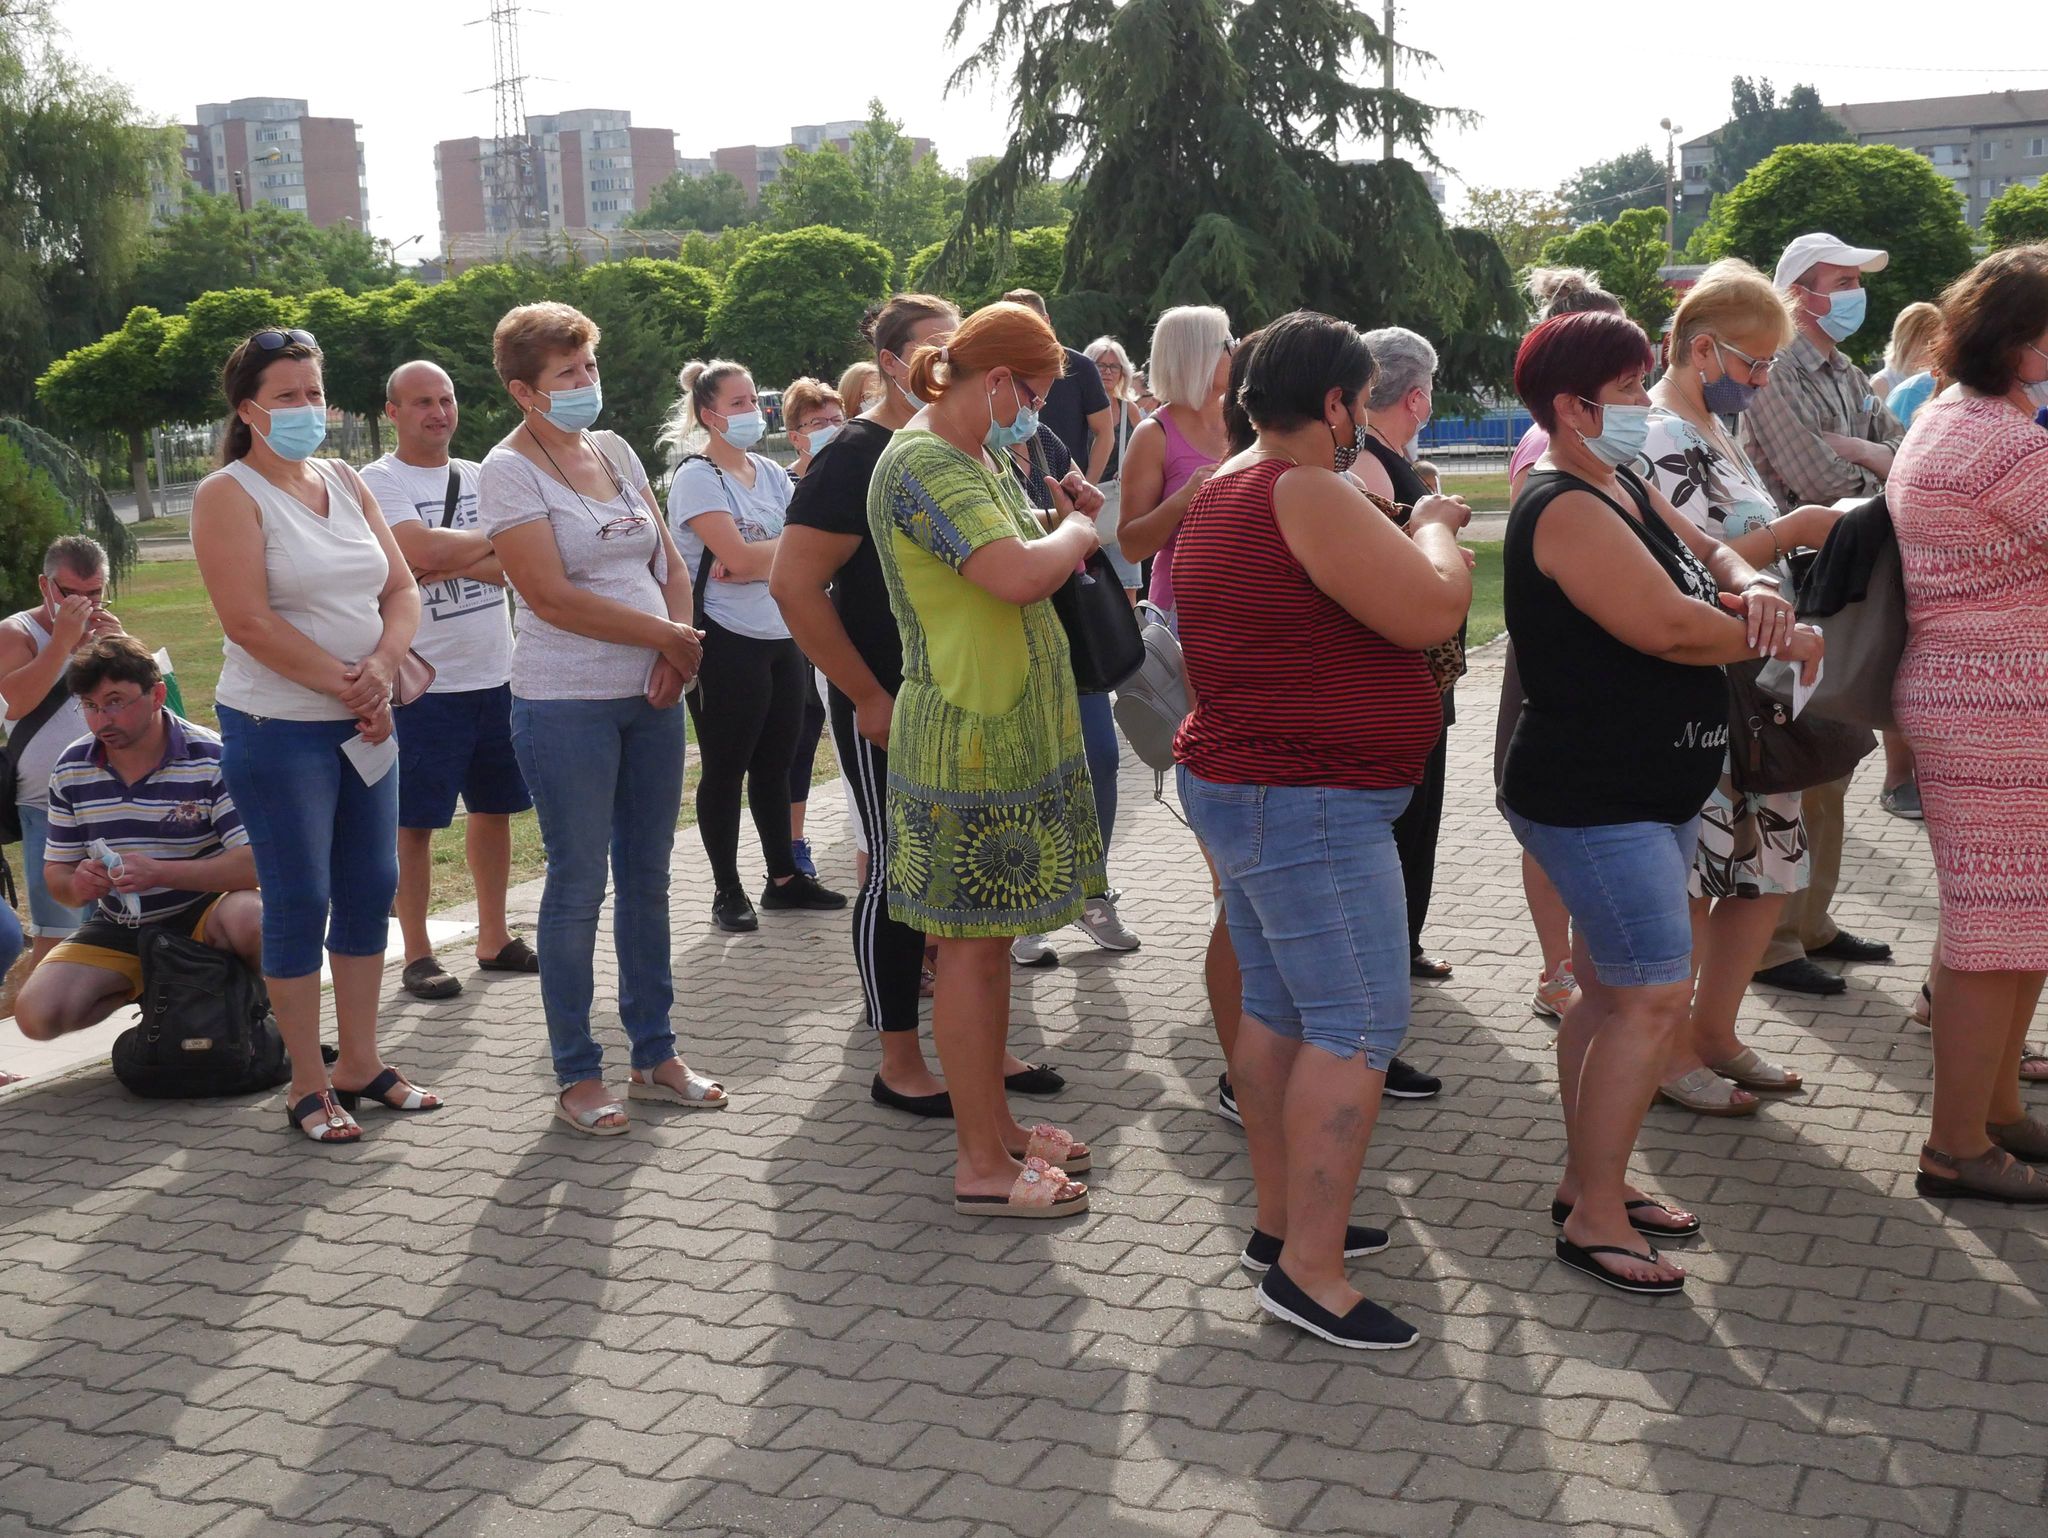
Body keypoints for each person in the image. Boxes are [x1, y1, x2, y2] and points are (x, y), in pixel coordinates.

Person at [1503, 309, 1818, 1294]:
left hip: (1643, 786)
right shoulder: (1560, 502)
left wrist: (1753, 583)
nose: (1645, 407)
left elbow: (1708, 554)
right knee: (1646, 996)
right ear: (1573, 405)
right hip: (1594, 797)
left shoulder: (1620, 477)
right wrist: (1772, 637)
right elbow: (1670, 629)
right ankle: (1594, 1215)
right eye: (1631, 390)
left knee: (1611, 993)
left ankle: (1586, 1183)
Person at [1174, 311, 1472, 1348]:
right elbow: (1432, 606)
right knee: (1354, 1022)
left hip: (1258, 784)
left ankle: (1283, 1225)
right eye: (1361, 400)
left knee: (1282, 1012)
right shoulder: (1301, 488)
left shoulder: (1225, 485)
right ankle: (1309, 1268)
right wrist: (1432, 521)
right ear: (1337, 402)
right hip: (1306, 798)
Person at [776, 293, 1056, 1117]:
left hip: (967, 699)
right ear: (895, 361)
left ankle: (982, 1053)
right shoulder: (860, 453)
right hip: (895, 700)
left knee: (964, 891)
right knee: (901, 873)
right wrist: (865, 694)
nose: (953, 358)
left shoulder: (966, 448)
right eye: (939, 345)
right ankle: (899, 1056)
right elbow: (794, 584)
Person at [866, 299, 1102, 1219]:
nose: (1039, 411)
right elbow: (1012, 574)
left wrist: (1060, 518)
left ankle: (996, 1126)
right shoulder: (924, 459)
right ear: (998, 381)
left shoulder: (975, 452)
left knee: (989, 949)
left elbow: (1016, 557)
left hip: (1002, 729)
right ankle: (980, 1163)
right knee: (968, 953)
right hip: (966, 735)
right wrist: (1082, 531)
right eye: (1036, 393)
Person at [478, 300, 721, 1135]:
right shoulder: (506, 470)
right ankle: (577, 1072)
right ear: (524, 391)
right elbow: (547, 594)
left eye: (589, 366)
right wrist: (667, 638)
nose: (586, 383)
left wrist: (675, 650)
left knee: (649, 878)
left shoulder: (612, 449)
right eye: (566, 374)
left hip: (652, 696)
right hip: (564, 706)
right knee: (578, 887)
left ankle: (655, 1052)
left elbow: (667, 557)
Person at [191, 326, 429, 1145]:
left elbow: (401, 589)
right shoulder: (228, 494)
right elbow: (248, 621)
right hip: (279, 726)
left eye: (314, 393)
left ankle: (360, 1062)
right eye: (287, 396)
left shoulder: (345, 479)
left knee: (370, 884)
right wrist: (350, 683)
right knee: (300, 898)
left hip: (365, 720)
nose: (305, 409)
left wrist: (383, 667)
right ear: (249, 407)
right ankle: (306, 1082)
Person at [1634, 260, 1850, 1116]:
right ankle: (1669, 1048)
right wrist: (1794, 530)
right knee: (1702, 877)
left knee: (1765, 871)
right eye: (1753, 366)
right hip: (1707, 685)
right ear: (1699, 350)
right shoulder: (1653, 436)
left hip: (1762, 683)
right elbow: (1678, 562)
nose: (1762, 383)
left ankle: (1716, 1031)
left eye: (1769, 368)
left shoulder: (1716, 431)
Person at [1889, 245, 2048, 1203]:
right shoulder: (2003, 441)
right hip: (2000, 707)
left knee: (2015, 921)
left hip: (1985, 699)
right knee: (1996, 928)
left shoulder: (1959, 416)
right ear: (2023, 337)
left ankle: (1995, 1112)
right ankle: (1957, 1145)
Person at [1742, 232, 1903, 994]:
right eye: (1840, 280)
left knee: (1836, 757)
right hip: (1796, 580)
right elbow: (1815, 476)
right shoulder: (1776, 374)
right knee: (1797, 759)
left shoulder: (1846, 370)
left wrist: (1870, 455)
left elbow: (1906, 455)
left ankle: (1814, 922)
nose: (1851, 294)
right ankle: (1774, 942)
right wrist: (1875, 459)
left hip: (1844, 577)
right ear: (1800, 290)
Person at [357, 361, 534, 1003]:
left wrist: (446, 551)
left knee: (495, 810)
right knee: (416, 823)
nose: (438, 412)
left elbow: (518, 562)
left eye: (447, 399)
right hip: (423, 683)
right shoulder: (377, 481)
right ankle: (420, 952)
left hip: (497, 671)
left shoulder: (485, 476)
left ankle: (494, 937)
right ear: (393, 412)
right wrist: (479, 547)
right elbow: (416, 549)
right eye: (422, 402)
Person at [662, 359, 845, 932]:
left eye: (754, 401)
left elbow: (808, 548)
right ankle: (726, 891)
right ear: (708, 413)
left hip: (781, 632)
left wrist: (754, 560)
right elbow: (740, 558)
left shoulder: (768, 472)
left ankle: (783, 879)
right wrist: (760, 558)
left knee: (777, 762)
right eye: (738, 403)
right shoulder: (697, 476)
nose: (752, 412)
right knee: (726, 766)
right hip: (725, 641)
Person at [12, 636, 263, 1042]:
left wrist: (161, 873)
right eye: (90, 706)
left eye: (115, 701)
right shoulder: (72, 766)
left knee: (256, 921)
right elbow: (57, 876)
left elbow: (254, 864)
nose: (102, 720)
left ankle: (251, 1006)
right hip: (122, 922)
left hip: (206, 913)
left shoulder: (210, 756)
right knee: (37, 1017)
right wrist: (79, 884)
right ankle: (165, 989)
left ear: (157, 694)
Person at [996, 411, 1140, 964]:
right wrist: (1063, 524)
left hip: (1071, 628)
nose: (1035, 400)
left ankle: (1091, 892)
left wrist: (1084, 509)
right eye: (1027, 384)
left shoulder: (1041, 436)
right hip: (1010, 634)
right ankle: (1028, 907)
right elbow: (998, 536)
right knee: (1030, 771)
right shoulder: (956, 448)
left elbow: (1081, 512)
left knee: (1100, 759)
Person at [1358, 327, 1459, 992]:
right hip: (1401, 673)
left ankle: (1405, 940)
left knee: (1418, 822)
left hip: (1420, 670)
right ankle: (1391, 948)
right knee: (1403, 824)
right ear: (1416, 399)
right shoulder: (1369, 463)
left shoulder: (1385, 456)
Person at [2, 537, 123, 967]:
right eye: (70, 594)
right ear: (45, 586)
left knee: (121, 928)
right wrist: (63, 643)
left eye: (94, 594)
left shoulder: (107, 628)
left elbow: (147, 705)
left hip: (115, 799)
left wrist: (122, 650)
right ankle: (46, 1024)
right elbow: (12, 703)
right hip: (47, 806)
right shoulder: (16, 633)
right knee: (58, 937)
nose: (84, 604)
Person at [1116, 305, 1232, 626]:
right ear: (1196, 356)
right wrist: (1187, 496)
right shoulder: (1154, 434)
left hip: (1243, 604)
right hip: (1182, 614)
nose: (1236, 351)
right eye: (1226, 343)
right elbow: (1131, 545)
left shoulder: (1243, 420)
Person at [778, 376, 849, 877]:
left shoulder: (851, 473)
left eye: (835, 419)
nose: (829, 429)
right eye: (816, 423)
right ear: (796, 435)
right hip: (793, 630)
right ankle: (792, 842)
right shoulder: (784, 484)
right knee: (800, 739)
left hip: (843, 624)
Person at [1002, 289, 1113, 483]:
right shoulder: (998, 368)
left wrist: (1087, 485)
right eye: (1011, 323)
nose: (1020, 331)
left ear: (1046, 320)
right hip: (1012, 484)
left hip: (1068, 485)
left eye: (1028, 321)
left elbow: (1105, 432)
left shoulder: (1080, 367)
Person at [1081, 335, 1148, 594]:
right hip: (1086, 503)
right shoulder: (1079, 407)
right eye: (1100, 365)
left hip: (1121, 504)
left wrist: (1130, 469)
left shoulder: (1128, 408)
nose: (1107, 372)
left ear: (1123, 372)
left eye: (1114, 366)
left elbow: (1145, 452)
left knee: (1127, 588)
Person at [1872, 300, 1942, 402]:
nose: (1934, 350)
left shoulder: (1940, 379)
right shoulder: (1881, 384)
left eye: (1937, 342)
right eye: (1927, 342)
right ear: (1907, 342)